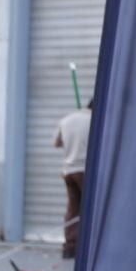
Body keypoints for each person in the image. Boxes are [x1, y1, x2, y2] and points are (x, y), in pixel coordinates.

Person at [54, 103, 91, 259]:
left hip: (69, 170)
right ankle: (89, 245)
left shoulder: (67, 120)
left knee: (73, 209)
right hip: (85, 170)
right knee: (90, 208)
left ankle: (70, 246)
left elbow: (57, 143)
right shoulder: (94, 120)